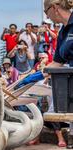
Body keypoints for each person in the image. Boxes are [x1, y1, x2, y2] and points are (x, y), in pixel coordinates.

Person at [44, 0, 73, 148]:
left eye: (46, 11)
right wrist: (36, 74)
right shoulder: (63, 32)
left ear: (54, 8)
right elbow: (57, 62)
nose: (46, 16)